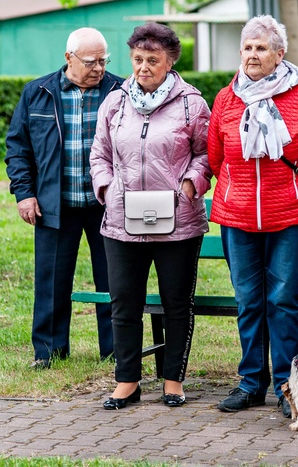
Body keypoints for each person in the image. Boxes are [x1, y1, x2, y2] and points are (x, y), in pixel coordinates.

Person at [208, 15, 298, 418]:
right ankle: (251, 383)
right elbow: (215, 157)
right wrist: (238, 192)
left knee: (282, 299)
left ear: (280, 55)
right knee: (248, 300)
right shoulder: (226, 98)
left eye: (261, 48)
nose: (252, 54)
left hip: (292, 216)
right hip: (237, 215)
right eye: (247, 47)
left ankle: (288, 385)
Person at [89, 23, 212, 410]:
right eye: (138, 59)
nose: (143, 67)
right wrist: (107, 190)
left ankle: (173, 380)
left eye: (152, 60)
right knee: (124, 303)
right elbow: (99, 154)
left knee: (177, 303)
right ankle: (127, 381)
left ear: (170, 61)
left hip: (178, 222)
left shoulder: (192, 104)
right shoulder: (115, 102)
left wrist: (189, 186)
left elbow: (206, 154)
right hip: (122, 221)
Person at [5, 27, 121, 369]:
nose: (99, 68)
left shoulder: (120, 91)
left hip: (107, 205)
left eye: (103, 60)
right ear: (69, 58)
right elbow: (18, 148)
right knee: (51, 281)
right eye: (91, 61)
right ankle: (48, 352)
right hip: (55, 204)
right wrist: (25, 194)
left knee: (115, 281)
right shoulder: (37, 92)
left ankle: (116, 351)